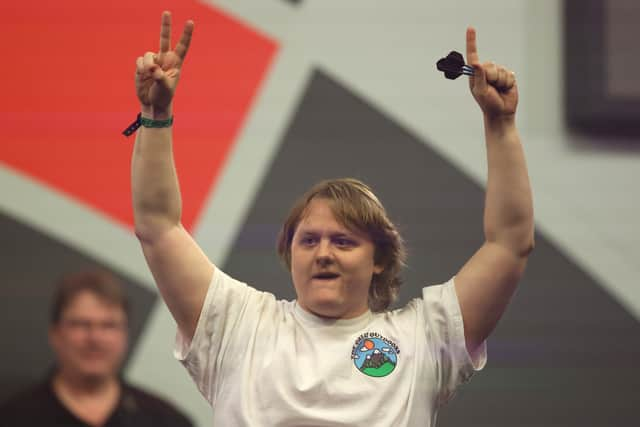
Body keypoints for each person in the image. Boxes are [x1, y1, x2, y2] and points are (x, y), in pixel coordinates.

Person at [130, 10, 533, 427]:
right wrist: (155, 116)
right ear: (290, 252)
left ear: (379, 258)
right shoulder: (237, 325)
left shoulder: (425, 340)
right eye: (309, 241)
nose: (323, 253)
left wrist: (501, 125)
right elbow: (158, 228)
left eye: (344, 242)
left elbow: (510, 244)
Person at [0, 270, 194, 427]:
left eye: (108, 325)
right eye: (81, 324)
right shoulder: (13, 418)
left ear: (125, 335)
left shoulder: (167, 421)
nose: (95, 338)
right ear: (56, 334)